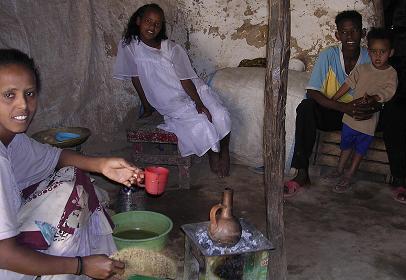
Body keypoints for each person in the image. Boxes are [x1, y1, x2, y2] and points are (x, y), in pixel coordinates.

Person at [0, 49, 145, 279]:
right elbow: (5, 255)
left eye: (29, 93)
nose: (23, 106)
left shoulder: (12, 140)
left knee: (73, 181)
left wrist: (103, 165)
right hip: (7, 262)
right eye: (9, 95)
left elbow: (54, 157)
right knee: (73, 204)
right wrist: (80, 265)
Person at [283, 10, 406, 204]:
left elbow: (386, 91)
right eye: (344, 32)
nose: (349, 36)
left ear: (363, 33)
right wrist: (344, 108)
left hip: (365, 115)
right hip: (336, 112)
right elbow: (313, 92)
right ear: (337, 35)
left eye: (355, 31)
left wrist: (374, 106)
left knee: (396, 113)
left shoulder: (372, 56)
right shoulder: (328, 55)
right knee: (306, 107)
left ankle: (399, 179)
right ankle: (302, 173)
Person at [113, 3, 232, 177]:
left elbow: (186, 81)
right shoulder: (129, 46)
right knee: (202, 122)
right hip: (167, 97)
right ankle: (213, 154)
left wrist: (199, 103)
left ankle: (225, 150)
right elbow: (136, 77)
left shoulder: (172, 48)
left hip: (192, 88)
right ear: (138, 21)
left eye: (157, 23)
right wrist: (146, 106)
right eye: (148, 21)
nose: (152, 27)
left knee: (220, 113)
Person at [323, 27, 397, 193]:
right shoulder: (362, 68)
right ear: (368, 51)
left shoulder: (391, 74)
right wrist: (333, 99)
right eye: (373, 52)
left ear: (391, 53)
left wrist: (374, 98)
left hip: (368, 121)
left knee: (359, 150)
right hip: (350, 117)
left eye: (382, 52)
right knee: (346, 145)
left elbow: (389, 92)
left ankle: (349, 175)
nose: (377, 56)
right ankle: (339, 169)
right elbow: (348, 84)